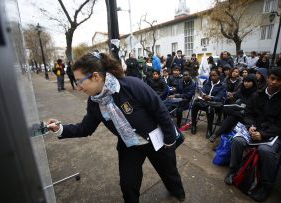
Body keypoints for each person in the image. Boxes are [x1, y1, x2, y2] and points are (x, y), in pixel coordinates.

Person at [46, 52, 185, 203]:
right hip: (129, 145)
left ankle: (178, 193)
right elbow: (85, 128)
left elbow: (160, 111)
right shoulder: (94, 103)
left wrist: (169, 141)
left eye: (80, 81)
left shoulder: (132, 85)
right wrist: (60, 129)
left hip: (156, 140)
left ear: (96, 76)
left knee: (169, 172)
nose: (78, 87)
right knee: (127, 184)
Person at [224, 67, 281, 202]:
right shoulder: (257, 94)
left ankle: (265, 185)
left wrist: (263, 134)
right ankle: (233, 170)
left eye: (279, 80)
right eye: (272, 78)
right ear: (267, 78)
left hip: (273, 134)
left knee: (265, 151)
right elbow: (248, 114)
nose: (274, 82)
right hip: (254, 129)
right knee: (237, 140)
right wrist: (251, 126)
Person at [209, 74, 258, 143]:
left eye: (248, 82)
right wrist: (230, 96)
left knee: (232, 117)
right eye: (245, 81)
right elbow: (234, 96)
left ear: (253, 82)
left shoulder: (256, 94)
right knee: (231, 115)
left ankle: (217, 135)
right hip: (239, 112)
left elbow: (255, 110)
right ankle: (222, 140)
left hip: (248, 117)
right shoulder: (242, 90)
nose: (246, 83)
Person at [191, 68, 226, 138]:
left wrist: (211, 98)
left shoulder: (222, 85)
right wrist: (203, 95)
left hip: (215, 104)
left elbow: (219, 97)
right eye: (211, 75)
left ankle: (209, 129)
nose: (212, 77)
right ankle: (193, 125)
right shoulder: (208, 82)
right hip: (205, 101)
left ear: (219, 76)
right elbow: (203, 90)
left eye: (214, 75)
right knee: (195, 103)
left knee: (210, 108)